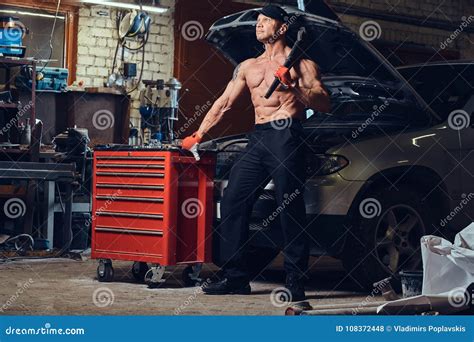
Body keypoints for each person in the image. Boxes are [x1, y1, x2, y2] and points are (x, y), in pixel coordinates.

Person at [182, 5, 331, 301]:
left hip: (287, 133)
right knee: (234, 197)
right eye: (258, 21)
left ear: (282, 28)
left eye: (266, 21)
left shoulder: (302, 64)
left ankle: (295, 279)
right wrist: (198, 134)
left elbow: (324, 102)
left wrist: (295, 87)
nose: (259, 25)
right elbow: (224, 103)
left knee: (289, 205)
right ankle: (236, 276)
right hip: (259, 137)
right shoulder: (248, 66)